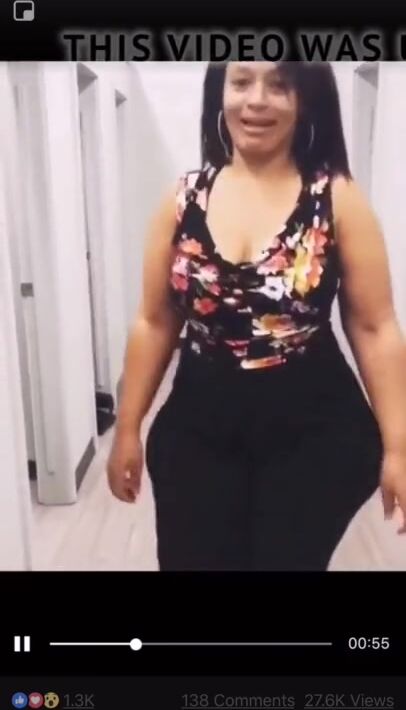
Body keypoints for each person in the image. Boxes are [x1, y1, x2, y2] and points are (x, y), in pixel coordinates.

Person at [107, 61, 406, 571]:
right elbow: (154, 321)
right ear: (219, 93)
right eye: (242, 81)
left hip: (313, 433)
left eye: (280, 85)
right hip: (199, 428)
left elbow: (375, 328)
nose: (257, 100)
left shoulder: (335, 198)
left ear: (305, 100)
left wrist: (398, 448)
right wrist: (127, 428)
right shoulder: (182, 199)